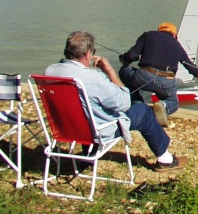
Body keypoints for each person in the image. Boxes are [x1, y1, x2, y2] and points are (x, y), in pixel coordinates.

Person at [45, 30, 187, 172]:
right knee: (144, 112)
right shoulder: (93, 78)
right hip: (98, 131)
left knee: (87, 108)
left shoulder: (50, 72)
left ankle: (88, 155)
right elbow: (124, 103)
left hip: (65, 128)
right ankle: (165, 159)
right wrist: (109, 71)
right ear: (88, 53)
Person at [119, 22, 198, 127]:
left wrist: (124, 60)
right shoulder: (177, 45)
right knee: (173, 102)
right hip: (166, 82)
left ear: (159, 30)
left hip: (144, 77)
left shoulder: (148, 35)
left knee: (124, 71)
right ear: (174, 35)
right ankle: (164, 106)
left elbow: (131, 56)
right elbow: (188, 64)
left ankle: (138, 104)